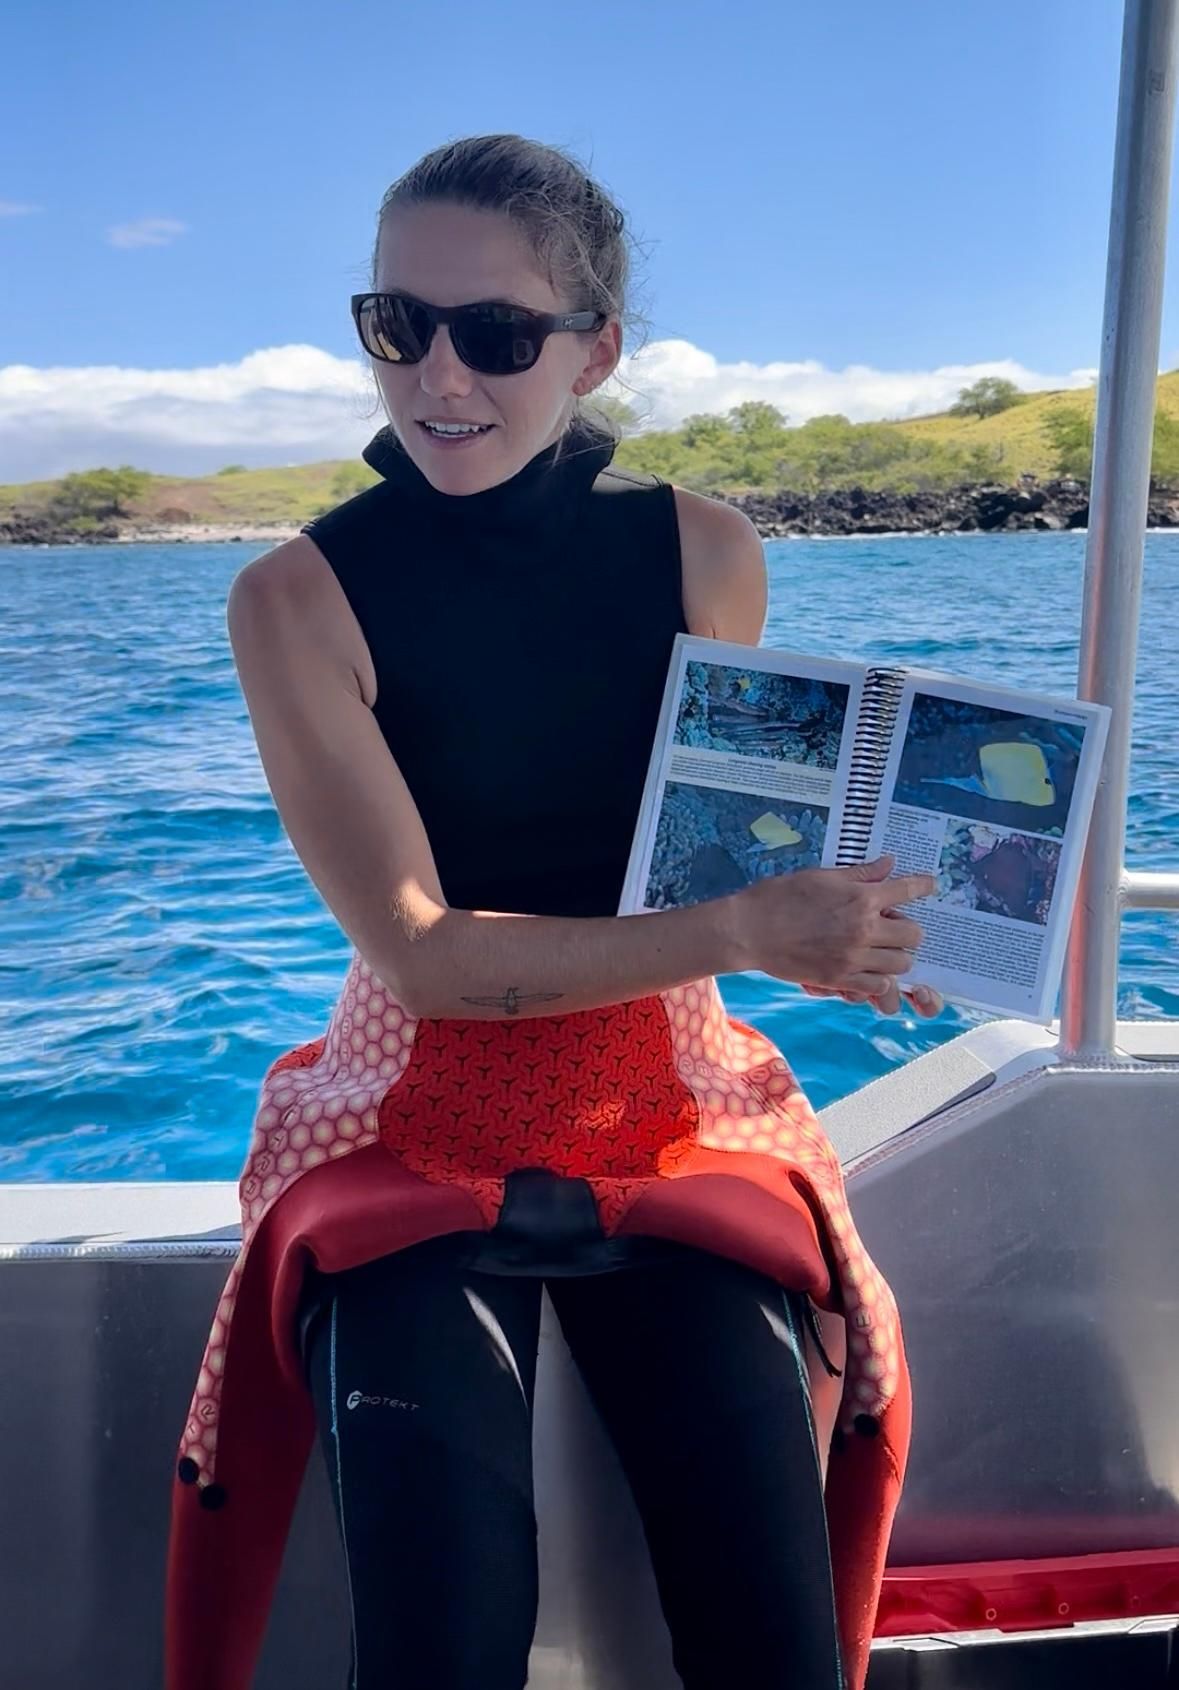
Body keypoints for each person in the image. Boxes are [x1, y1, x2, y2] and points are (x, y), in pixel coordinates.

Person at [165, 133, 941, 1690]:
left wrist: (858, 932)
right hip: (409, 1111)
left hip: (674, 1093)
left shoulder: (706, 550)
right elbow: (426, 954)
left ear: (595, 350)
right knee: (445, 1629)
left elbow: (716, 858)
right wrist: (749, 932)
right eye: (399, 325)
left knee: (772, 1625)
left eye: (497, 334)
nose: (439, 375)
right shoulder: (294, 600)